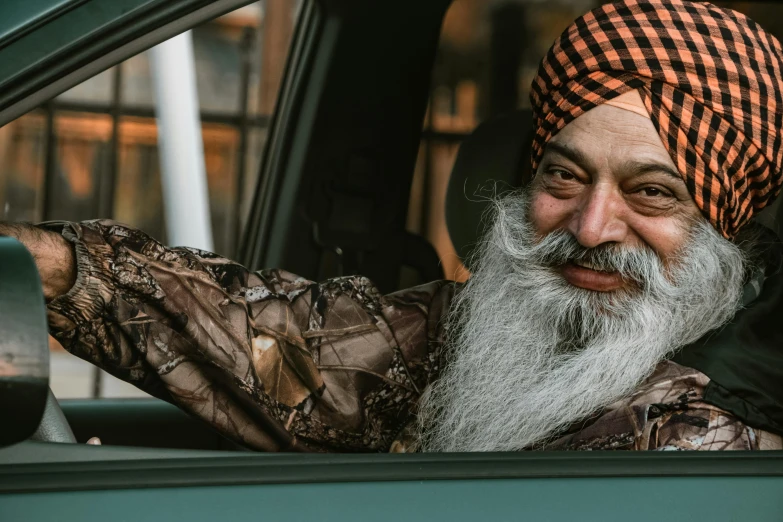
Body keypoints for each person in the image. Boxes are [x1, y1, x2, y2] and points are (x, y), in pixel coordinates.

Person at [3, 0, 783, 452]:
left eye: (651, 194)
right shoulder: (475, 330)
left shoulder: (728, 437)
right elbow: (285, 354)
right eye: (563, 175)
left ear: (728, 229)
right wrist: (49, 266)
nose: (587, 226)